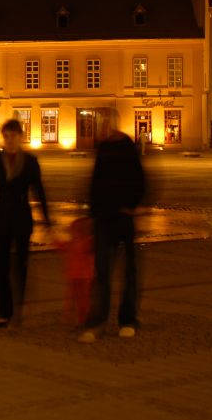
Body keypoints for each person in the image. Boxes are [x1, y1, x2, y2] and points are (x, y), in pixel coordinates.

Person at [79, 112, 145, 343]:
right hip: (103, 218)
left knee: (129, 272)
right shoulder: (103, 148)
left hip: (123, 218)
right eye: (102, 124)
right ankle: (97, 321)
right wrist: (90, 214)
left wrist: (132, 205)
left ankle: (128, 320)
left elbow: (140, 178)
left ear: (116, 124)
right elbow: (94, 181)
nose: (103, 128)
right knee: (102, 272)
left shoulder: (128, 146)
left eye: (106, 123)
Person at [0, 119, 50, 328]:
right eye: (6, 136)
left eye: (13, 136)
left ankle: (17, 307)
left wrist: (46, 219)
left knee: (20, 266)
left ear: (20, 137)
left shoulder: (30, 161)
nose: (9, 140)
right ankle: (3, 312)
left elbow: (39, 189)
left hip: (21, 217)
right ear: (2, 137)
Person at [55, 216, 94, 326]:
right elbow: (61, 246)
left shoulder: (87, 242)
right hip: (74, 276)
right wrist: (54, 237)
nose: (72, 233)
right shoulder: (73, 243)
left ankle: (82, 318)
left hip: (83, 276)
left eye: (74, 230)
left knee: (83, 299)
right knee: (72, 298)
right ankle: (71, 317)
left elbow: (61, 246)